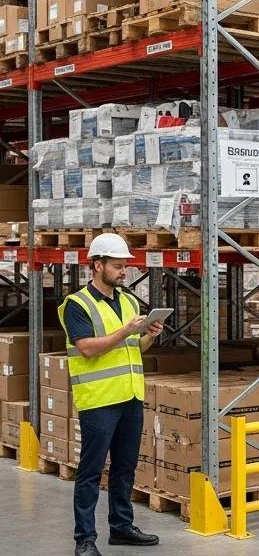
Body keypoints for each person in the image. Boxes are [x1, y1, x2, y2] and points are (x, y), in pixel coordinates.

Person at [59, 233, 165, 556]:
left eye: (125, 267)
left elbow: (131, 349)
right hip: (99, 401)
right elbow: (87, 349)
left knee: (125, 467)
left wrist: (148, 336)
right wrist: (125, 331)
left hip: (130, 397)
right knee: (90, 471)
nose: (124, 272)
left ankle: (120, 526)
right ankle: (85, 540)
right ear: (97, 265)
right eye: (118, 266)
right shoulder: (77, 305)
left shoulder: (130, 302)